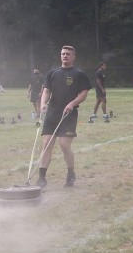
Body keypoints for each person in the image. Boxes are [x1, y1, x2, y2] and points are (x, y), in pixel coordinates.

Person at [36, 45, 92, 188]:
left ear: (73, 57)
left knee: (64, 145)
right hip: (52, 113)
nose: (65, 56)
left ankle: (70, 173)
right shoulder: (53, 73)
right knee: (47, 143)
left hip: (69, 114)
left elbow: (83, 94)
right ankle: (42, 178)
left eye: (68, 54)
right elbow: (47, 91)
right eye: (63, 54)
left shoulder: (79, 74)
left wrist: (72, 103)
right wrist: (43, 104)